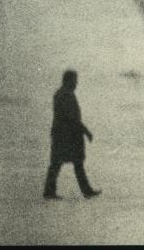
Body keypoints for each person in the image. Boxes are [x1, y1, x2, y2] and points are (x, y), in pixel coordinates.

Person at [43, 69, 101, 200]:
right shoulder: (66, 95)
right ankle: (85, 191)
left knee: (60, 163)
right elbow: (72, 117)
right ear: (69, 81)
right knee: (70, 163)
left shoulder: (61, 93)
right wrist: (85, 131)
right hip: (67, 135)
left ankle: (50, 190)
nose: (76, 83)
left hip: (61, 133)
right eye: (75, 80)